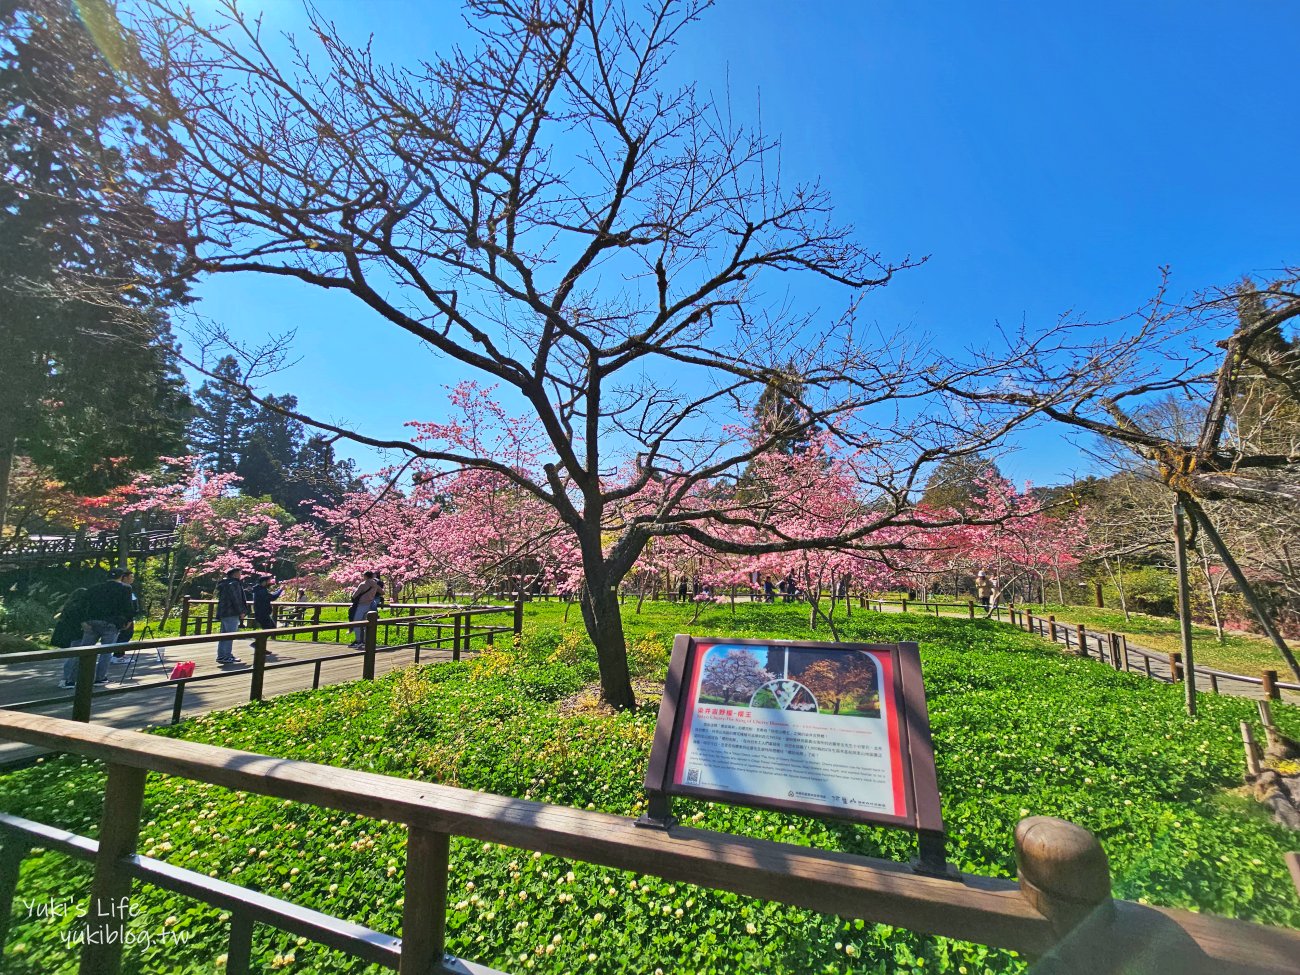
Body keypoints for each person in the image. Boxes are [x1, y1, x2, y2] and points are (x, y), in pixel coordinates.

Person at [60, 569, 134, 687]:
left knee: (84, 651)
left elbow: (82, 605)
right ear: (121, 577)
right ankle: (100, 678)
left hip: (92, 623)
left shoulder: (93, 588)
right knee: (106, 652)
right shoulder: (125, 589)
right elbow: (127, 606)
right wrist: (129, 620)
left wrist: (83, 621)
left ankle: (71, 679)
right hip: (111, 623)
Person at [215, 568, 249, 665]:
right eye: (239, 573)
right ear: (235, 574)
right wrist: (241, 611)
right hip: (232, 612)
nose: (240, 575)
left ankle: (222, 655)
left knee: (224, 635)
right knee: (230, 635)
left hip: (224, 612)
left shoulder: (224, 584)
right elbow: (236, 599)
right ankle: (226, 656)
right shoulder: (234, 584)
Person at [348, 571, 381, 648]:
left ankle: (359, 641)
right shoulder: (375, 584)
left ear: (365, 576)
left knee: (357, 623)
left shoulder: (363, 584)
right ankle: (367, 641)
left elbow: (354, 595)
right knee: (368, 624)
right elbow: (382, 592)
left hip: (362, 605)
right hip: (370, 605)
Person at [249, 575, 284, 639]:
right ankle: (258, 642)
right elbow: (272, 597)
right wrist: (280, 590)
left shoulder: (258, 589)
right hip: (262, 614)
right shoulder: (261, 591)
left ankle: (258, 642)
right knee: (269, 630)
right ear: (264, 582)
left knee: (271, 629)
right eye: (269, 581)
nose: (270, 583)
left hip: (262, 613)